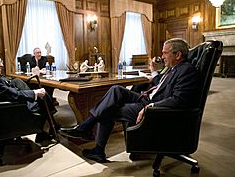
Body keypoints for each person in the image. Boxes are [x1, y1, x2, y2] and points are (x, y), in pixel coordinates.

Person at [60, 38, 200, 163]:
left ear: (178, 54)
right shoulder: (173, 68)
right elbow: (162, 85)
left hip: (154, 108)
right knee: (116, 89)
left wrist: (150, 106)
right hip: (146, 98)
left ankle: (94, 143)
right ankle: (86, 128)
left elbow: (179, 100)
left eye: (165, 53)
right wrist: (154, 74)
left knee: (108, 109)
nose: (162, 56)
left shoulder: (186, 70)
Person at [0, 52, 58, 144]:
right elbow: (14, 95)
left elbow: (7, 92)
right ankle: (51, 126)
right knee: (43, 96)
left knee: (20, 82)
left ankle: (50, 126)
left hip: (2, 108)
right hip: (11, 110)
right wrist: (34, 93)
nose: (2, 65)